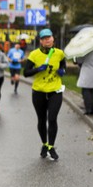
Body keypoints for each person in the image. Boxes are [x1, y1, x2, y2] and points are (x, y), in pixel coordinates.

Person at [23, 28, 67, 160]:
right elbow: (26, 73)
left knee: (52, 119)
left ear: (53, 39)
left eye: (49, 37)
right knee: (41, 120)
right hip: (39, 92)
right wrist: (37, 69)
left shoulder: (59, 53)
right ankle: (44, 144)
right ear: (41, 41)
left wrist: (62, 71)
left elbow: (63, 66)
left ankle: (51, 147)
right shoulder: (34, 55)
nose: (47, 40)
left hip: (55, 91)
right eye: (44, 38)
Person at [74, 43, 93, 115]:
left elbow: (78, 61)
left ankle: (88, 109)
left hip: (86, 73)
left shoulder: (85, 51)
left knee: (86, 91)